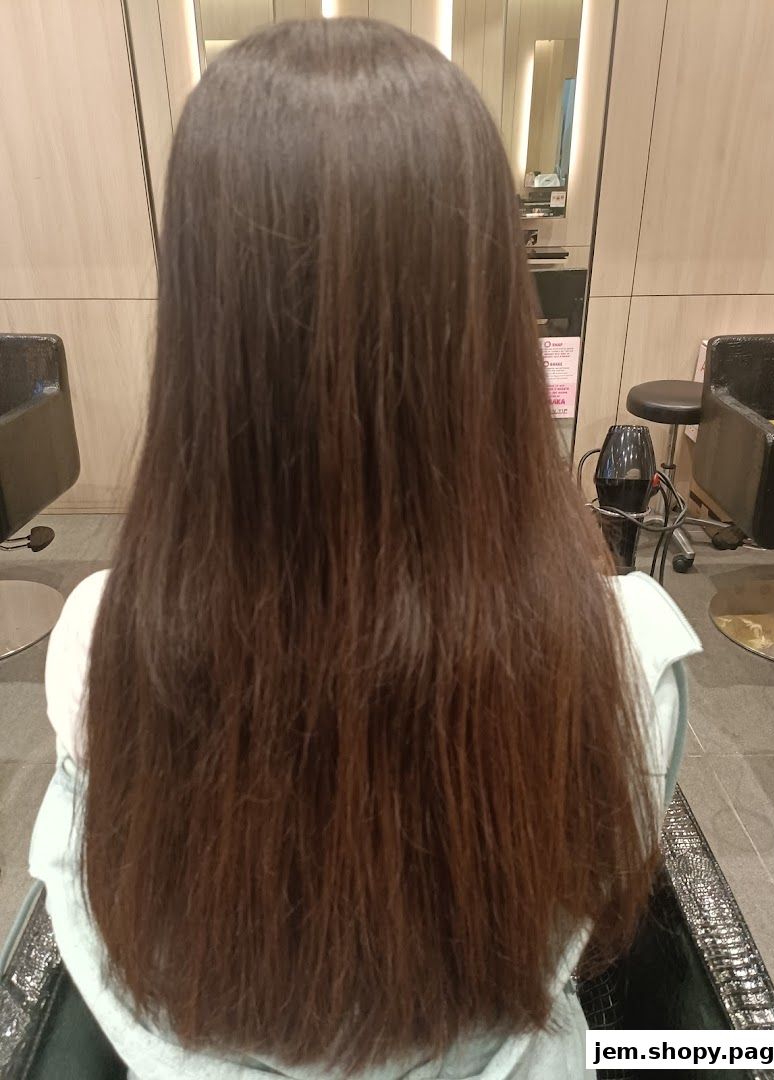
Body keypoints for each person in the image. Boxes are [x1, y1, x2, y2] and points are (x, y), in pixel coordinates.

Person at [30, 17, 700, 1080]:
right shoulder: (627, 660)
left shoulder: (100, 641)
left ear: (205, 316)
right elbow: (584, 932)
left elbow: (105, 944)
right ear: (488, 303)